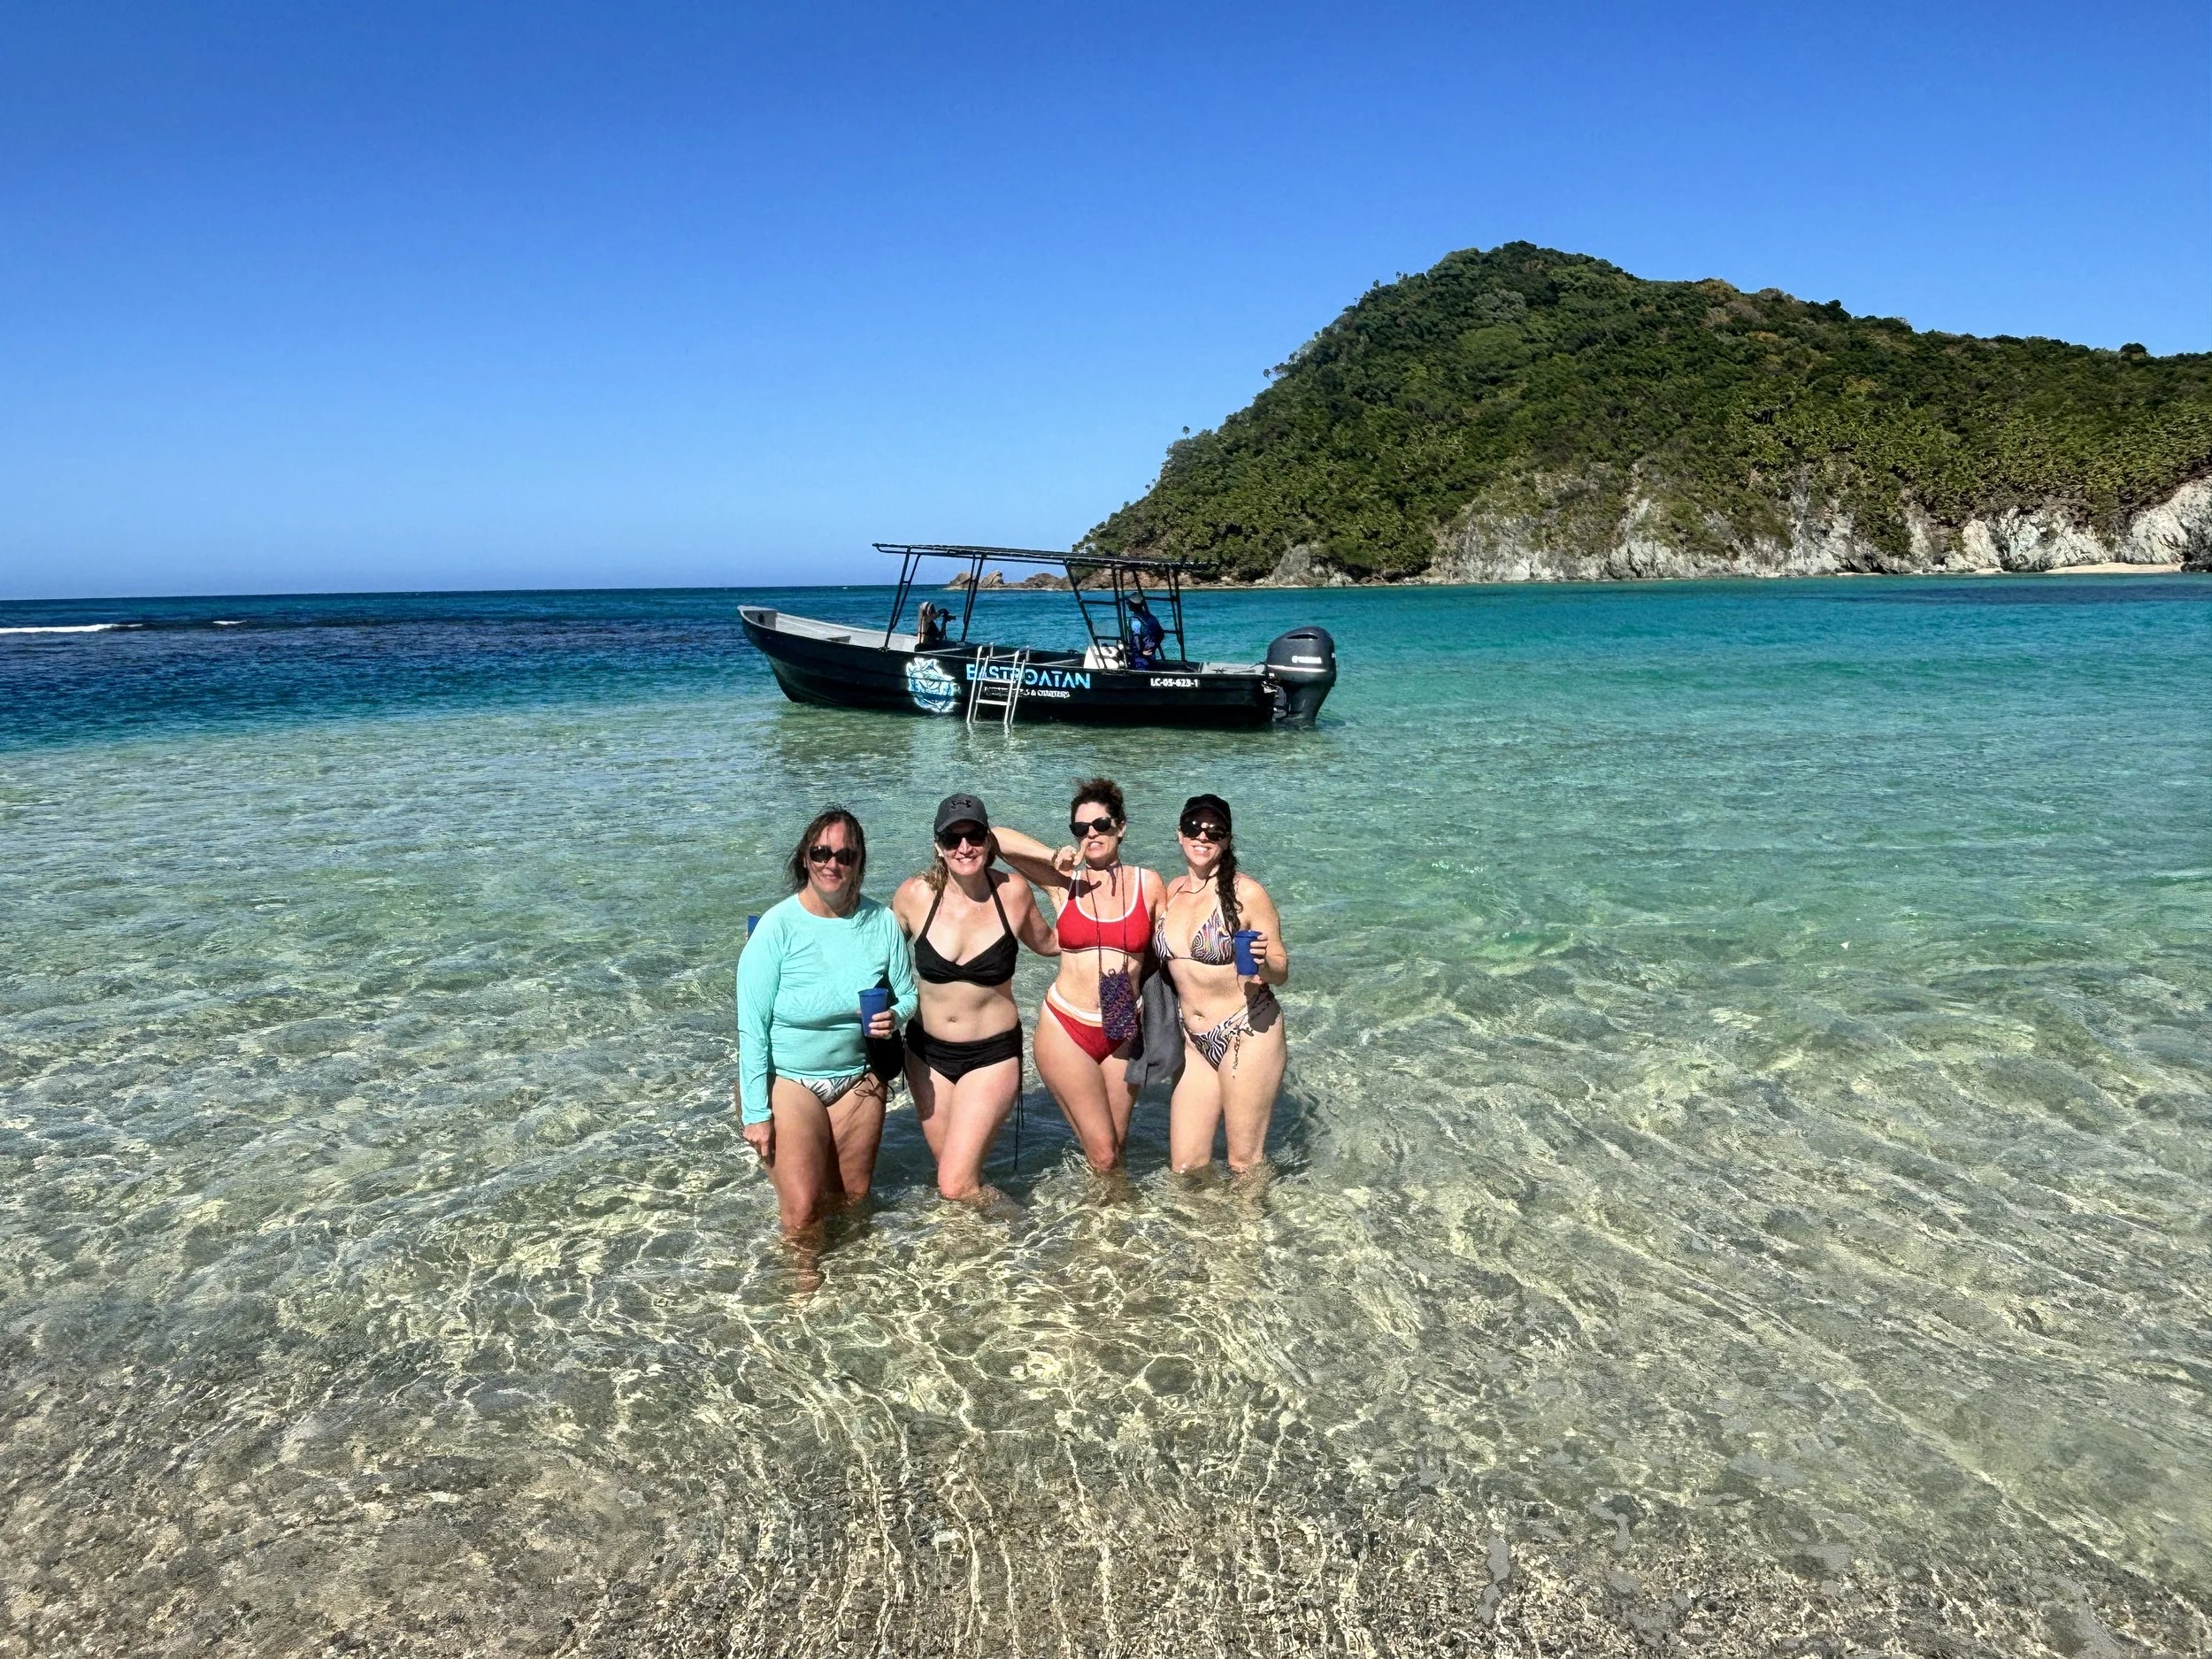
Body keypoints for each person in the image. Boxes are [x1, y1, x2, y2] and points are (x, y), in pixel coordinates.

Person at [736, 807, 917, 1237]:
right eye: (821, 852)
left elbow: (909, 994)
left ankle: (849, 1296)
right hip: (791, 1082)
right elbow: (751, 1028)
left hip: (859, 1081)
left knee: (852, 1202)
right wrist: (757, 1113)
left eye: (844, 855)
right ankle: (801, 1297)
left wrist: (895, 1015)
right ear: (805, 857)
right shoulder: (776, 928)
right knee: (803, 1215)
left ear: (858, 863)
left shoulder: (882, 922)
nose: (831, 864)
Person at [891, 792, 1057, 1204]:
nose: (964, 847)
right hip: (926, 1055)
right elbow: (876, 960)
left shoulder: (1013, 892)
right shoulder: (914, 895)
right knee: (955, 1175)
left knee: (954, 1183)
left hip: (992, 1055)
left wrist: (1064, 881)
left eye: (975, 836)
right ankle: (974, 1258)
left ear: (989, 841)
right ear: (938, 847)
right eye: (953, 839)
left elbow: (1052, 944)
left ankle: (1022, 1233)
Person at [993, 779, 1165, 1174]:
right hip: (1066, 1026)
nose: (1092, 834)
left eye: (1101, 825)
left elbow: (1171, 949)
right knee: (1103, 1153)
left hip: (1123, 1026)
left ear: (1121, 827)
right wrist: (1053, 855)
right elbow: (994, 838)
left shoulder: (1149, 884)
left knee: (1114, 1152)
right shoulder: (1062, 883)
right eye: (1081, 828)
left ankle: (1105, 1226)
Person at [1155, 794, 1288, 1177]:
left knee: (1244, 1164)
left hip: (1246, 1030)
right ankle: (1202, 1236)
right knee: (1185, 1167)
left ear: (1227, 840)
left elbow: (1281, 969)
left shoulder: (1247, 893)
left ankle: (1249, 1235)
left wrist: (1265, 963)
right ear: (1179, 834)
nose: (1203, 836)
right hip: (1194, 1041)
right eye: (1194, 827)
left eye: (1215, 831)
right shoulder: (1172, 890)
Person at [1125, 592, 1165, 668]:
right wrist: (1153, 647)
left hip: (1139, 658)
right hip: (1151, 654)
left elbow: (1136, 639)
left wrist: (1141, 652)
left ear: (1131, 606)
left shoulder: (1134, 621)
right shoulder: (1151, 618)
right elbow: (1161, 634)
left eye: (1128, 603)